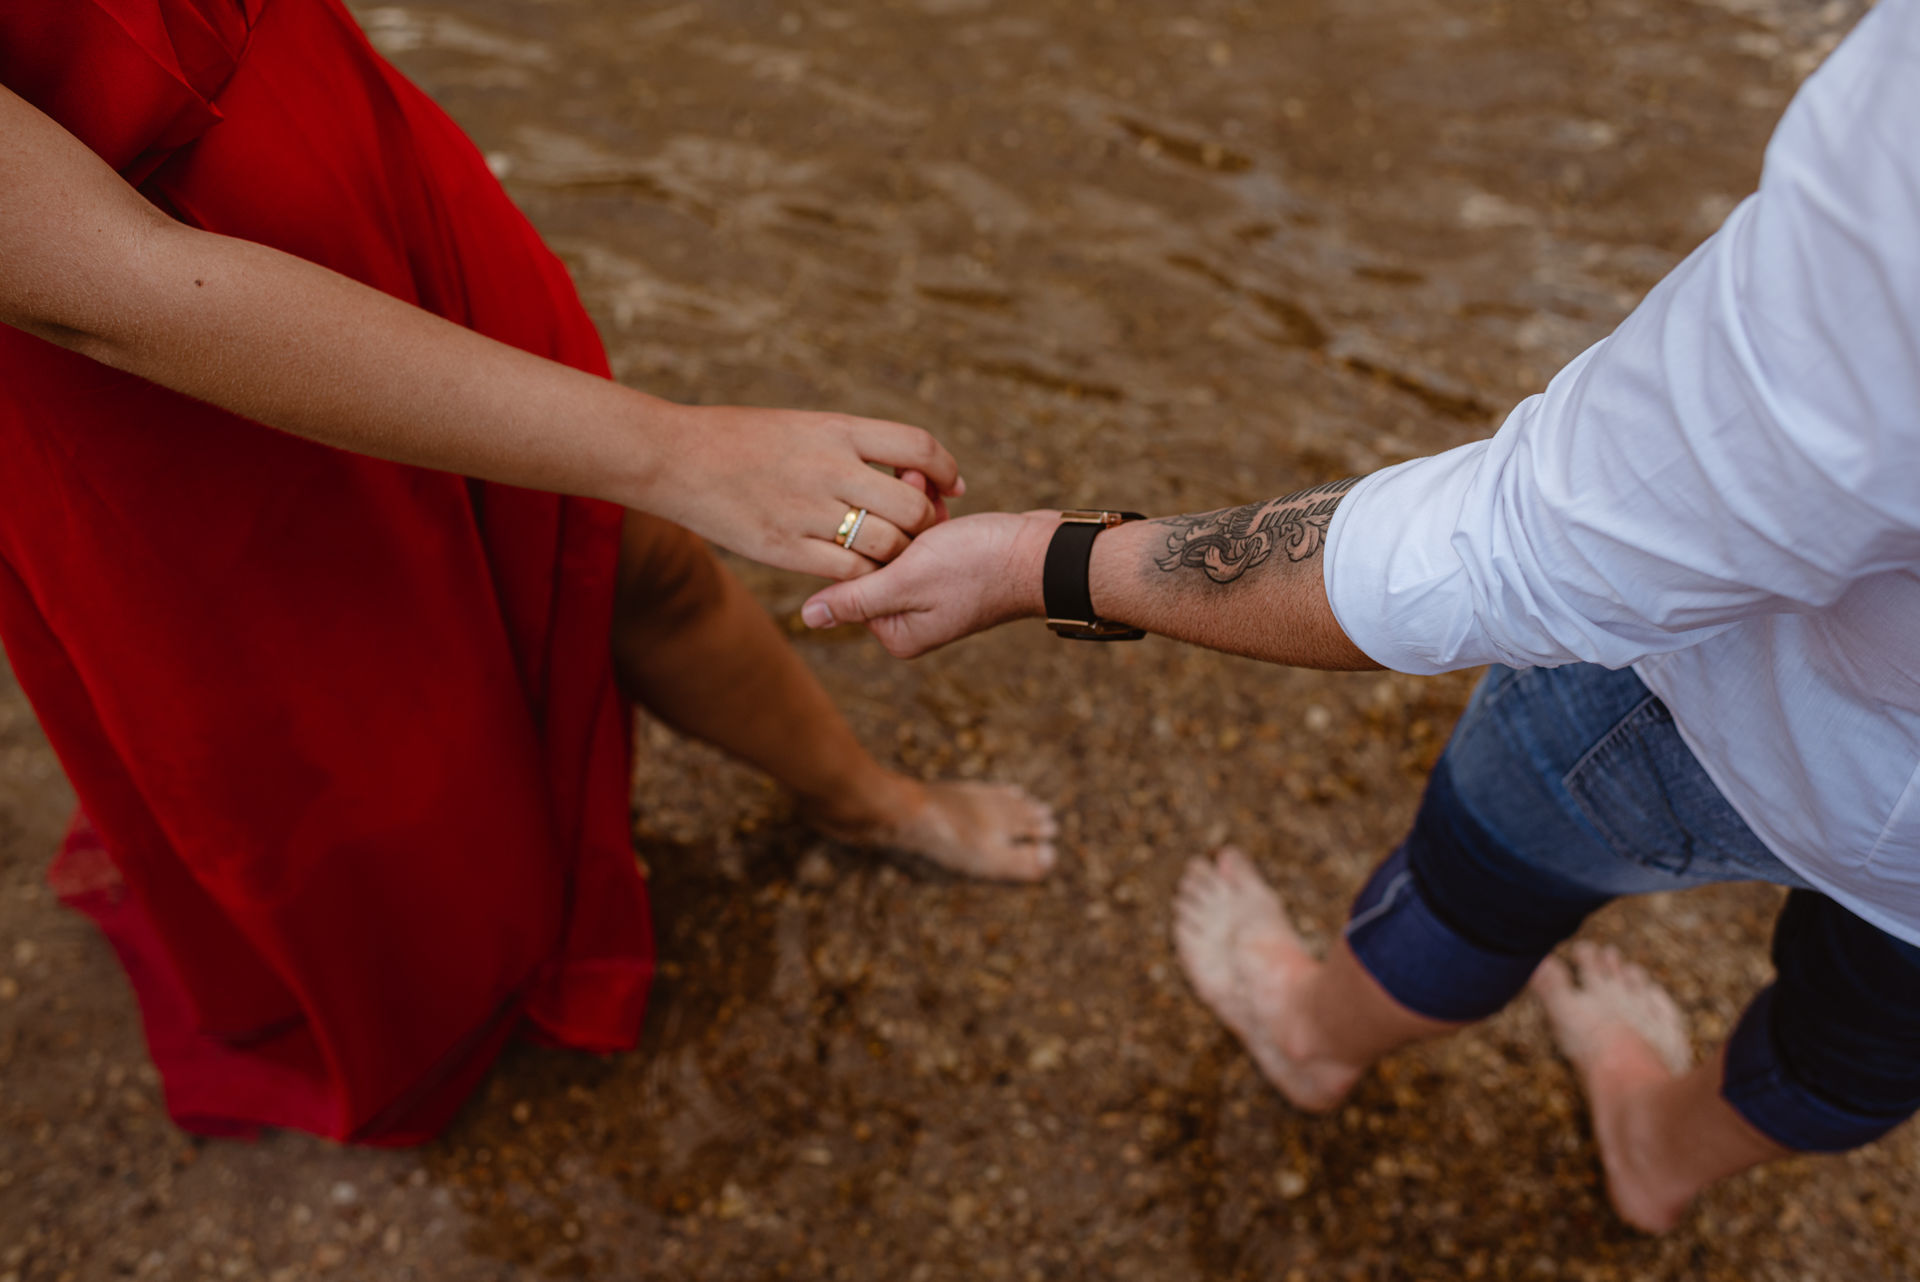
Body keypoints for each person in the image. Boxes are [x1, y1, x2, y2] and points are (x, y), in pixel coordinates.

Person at [800, 0, 1920, 1233]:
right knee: (1877, 1026)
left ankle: (1308, 1034)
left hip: (1730, 705)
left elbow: (1516, 546)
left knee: (1487, 869)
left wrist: (1044, 562)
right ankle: (1661, 1152)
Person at [0, 0, 1056, 1145]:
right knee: (361, 738)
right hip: (161, 372)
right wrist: (678, 445)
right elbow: (108, 282)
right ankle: (452, 960)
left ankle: (860, 797)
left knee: (618, 558)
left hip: (355, 162)